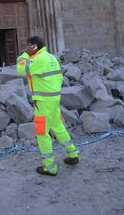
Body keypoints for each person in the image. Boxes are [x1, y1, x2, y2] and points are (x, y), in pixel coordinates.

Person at [16, 35, 79, 176]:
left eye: (28, 45)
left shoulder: (38, 59)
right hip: (54, 99)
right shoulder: (51, 57)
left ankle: (50, 167)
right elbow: (59, 77)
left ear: (34, 46)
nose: (25, 48)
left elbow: (21, 69)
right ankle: (73, 154)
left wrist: (24, 55)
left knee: (41, 132)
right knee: (58, 126)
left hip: (43, 102)